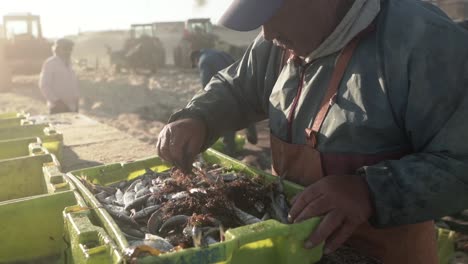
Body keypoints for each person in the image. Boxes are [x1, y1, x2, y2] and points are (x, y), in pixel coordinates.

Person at [157, 0, 468, 262]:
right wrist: (197, 117)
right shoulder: (276, 45)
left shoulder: (424, 41)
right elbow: (237, 88)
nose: (265, 33)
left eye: (271, 15)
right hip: (295, 249)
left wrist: (370, 192)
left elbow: (460, 161)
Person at [190, 48, 258, 155]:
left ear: (195, 59)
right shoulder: (219, 52)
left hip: (226, 92)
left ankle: (230, 150)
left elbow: (206, 84)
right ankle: (252, 136)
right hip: (241, 85)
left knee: (227, 121)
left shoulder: (203, 61)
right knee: (247, 110)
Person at [39, 38, 79, 114]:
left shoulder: (70, 64)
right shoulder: (50, 63)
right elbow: (44, 86)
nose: (68, 51)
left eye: (70, 49)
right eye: (65, 48)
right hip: (57, 108)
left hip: (72, 108)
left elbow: (73, 85)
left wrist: (76, 103)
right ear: (57, 49)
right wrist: (56, 101)